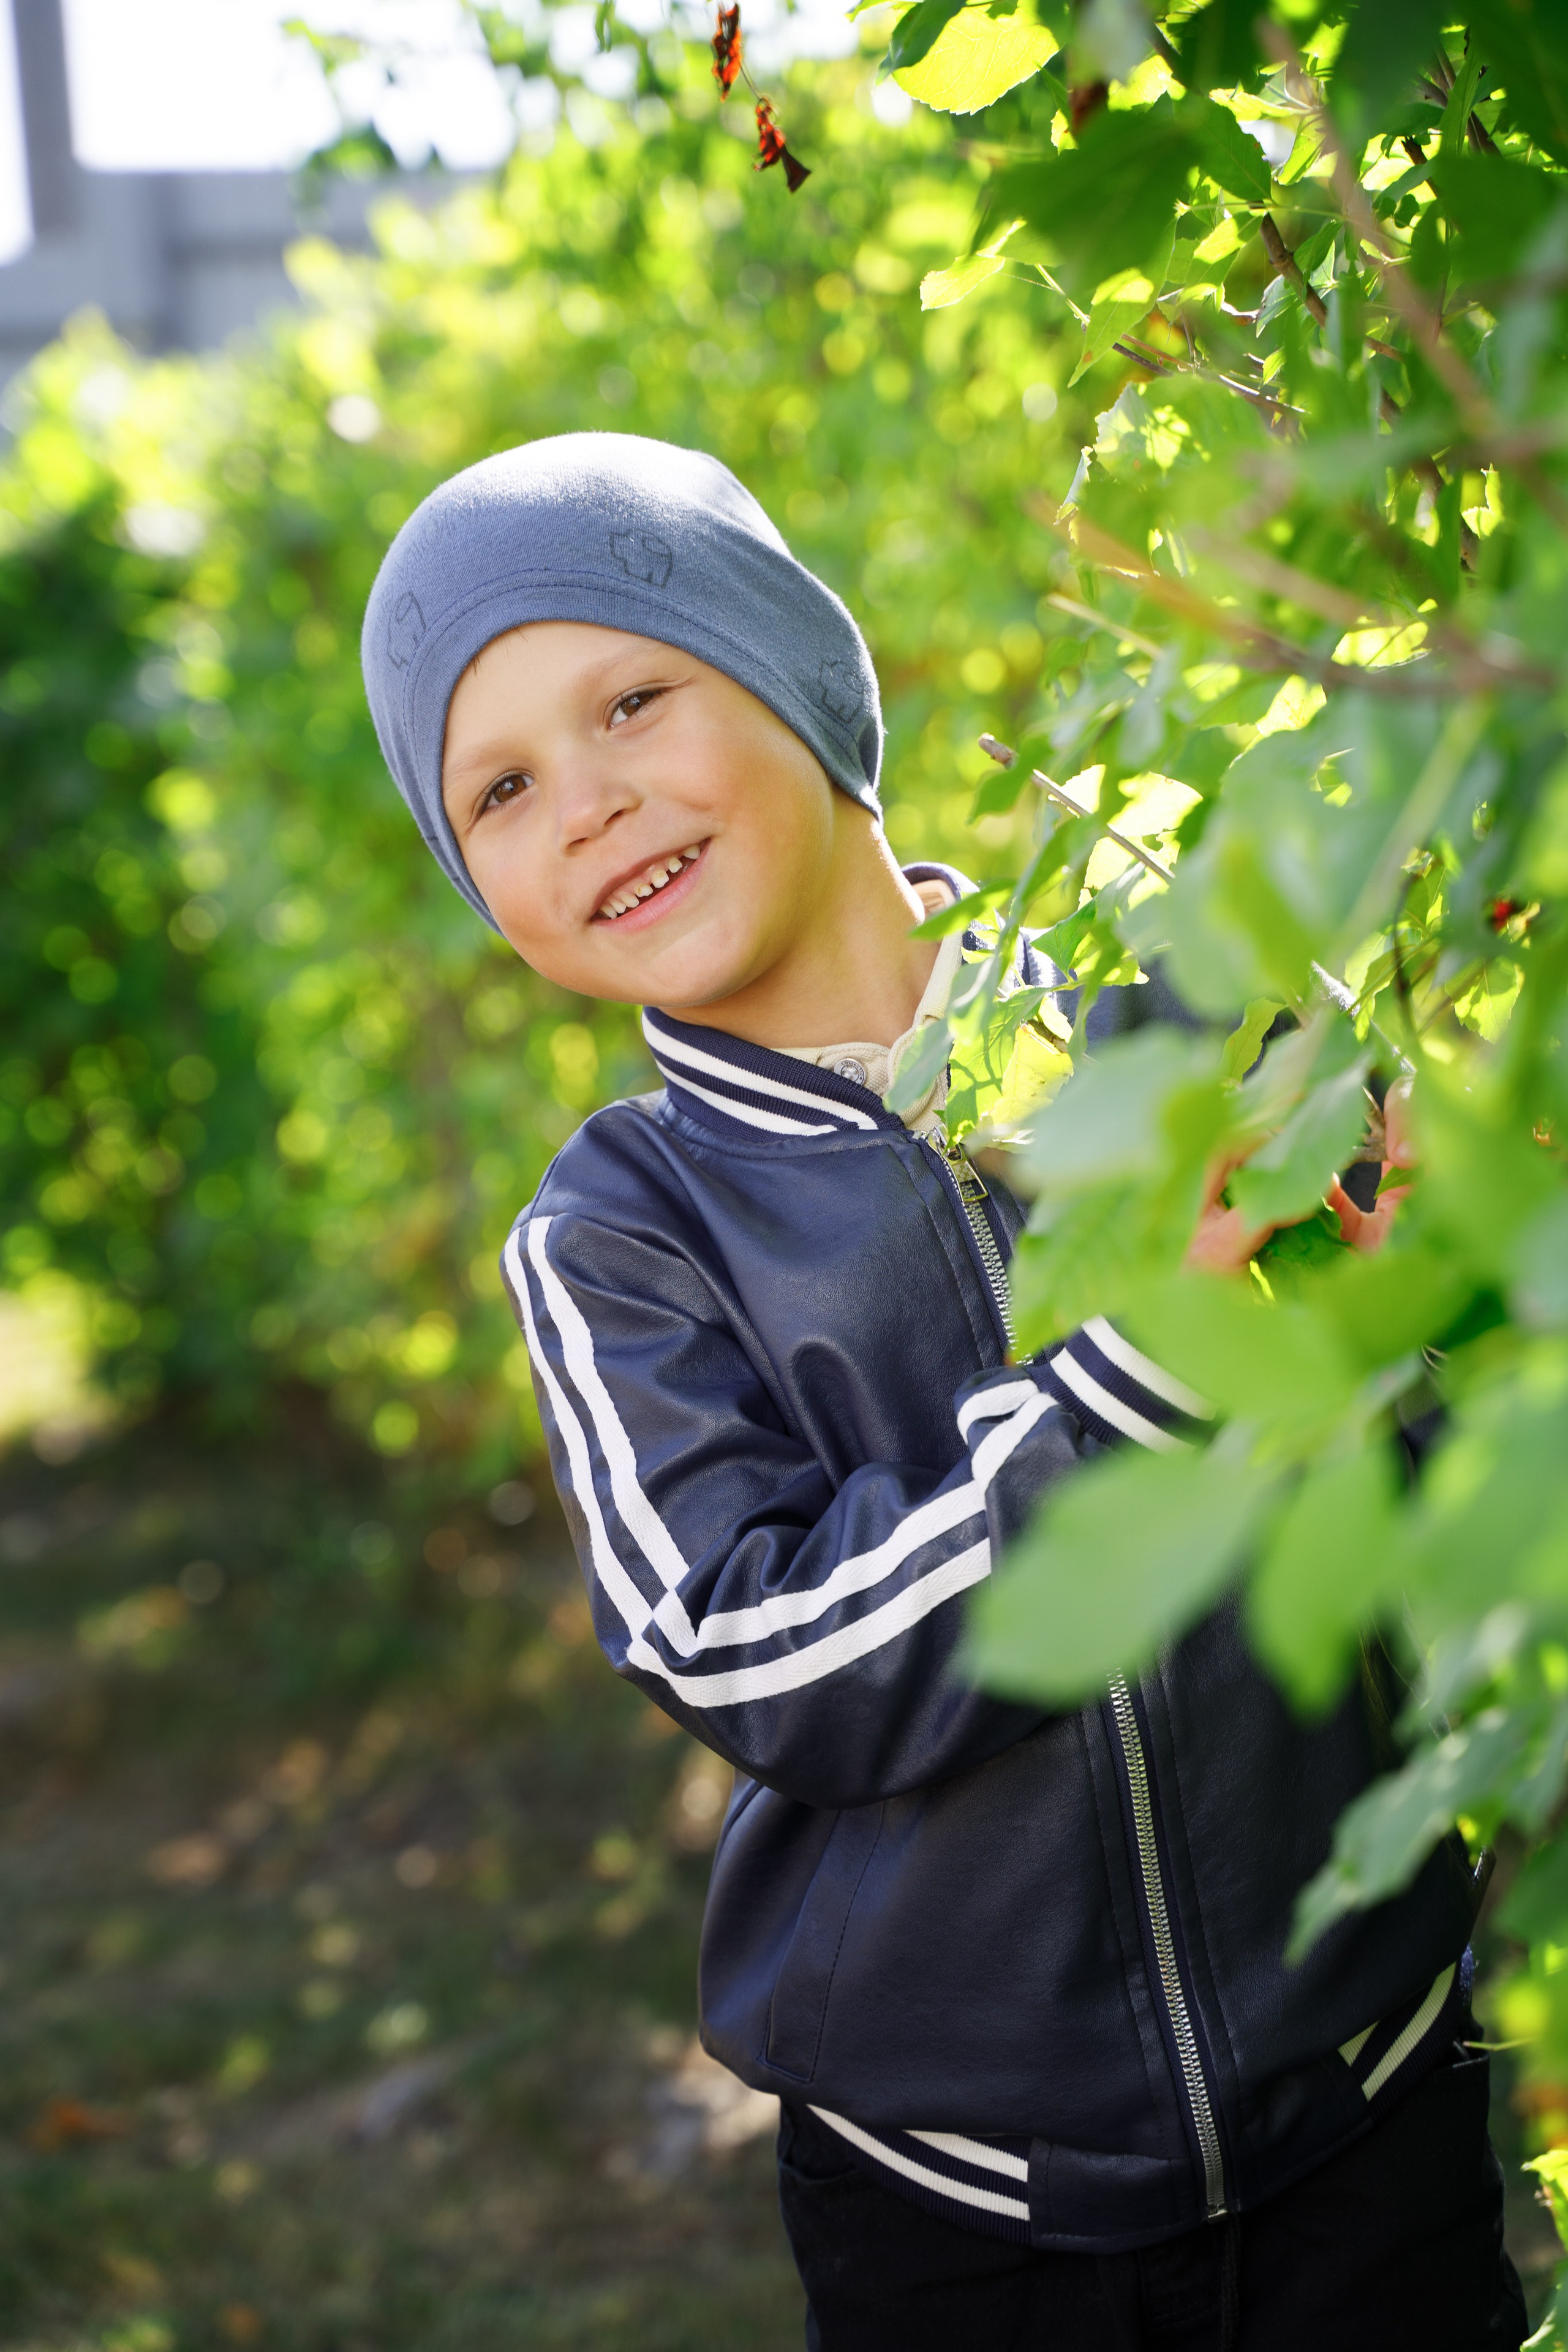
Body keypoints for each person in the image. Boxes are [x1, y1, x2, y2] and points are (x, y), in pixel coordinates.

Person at [360, 432, 1525, 2350]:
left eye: (632, 696)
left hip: (1370, 2107)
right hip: (963, 2216)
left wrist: (1438, 1255)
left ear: (800, 680)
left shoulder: (1164, 1001)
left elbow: (1431, 1443)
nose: (586, 802)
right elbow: (739, 1652)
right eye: (497, 788)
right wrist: (1131, 1383)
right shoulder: (624, 1229)